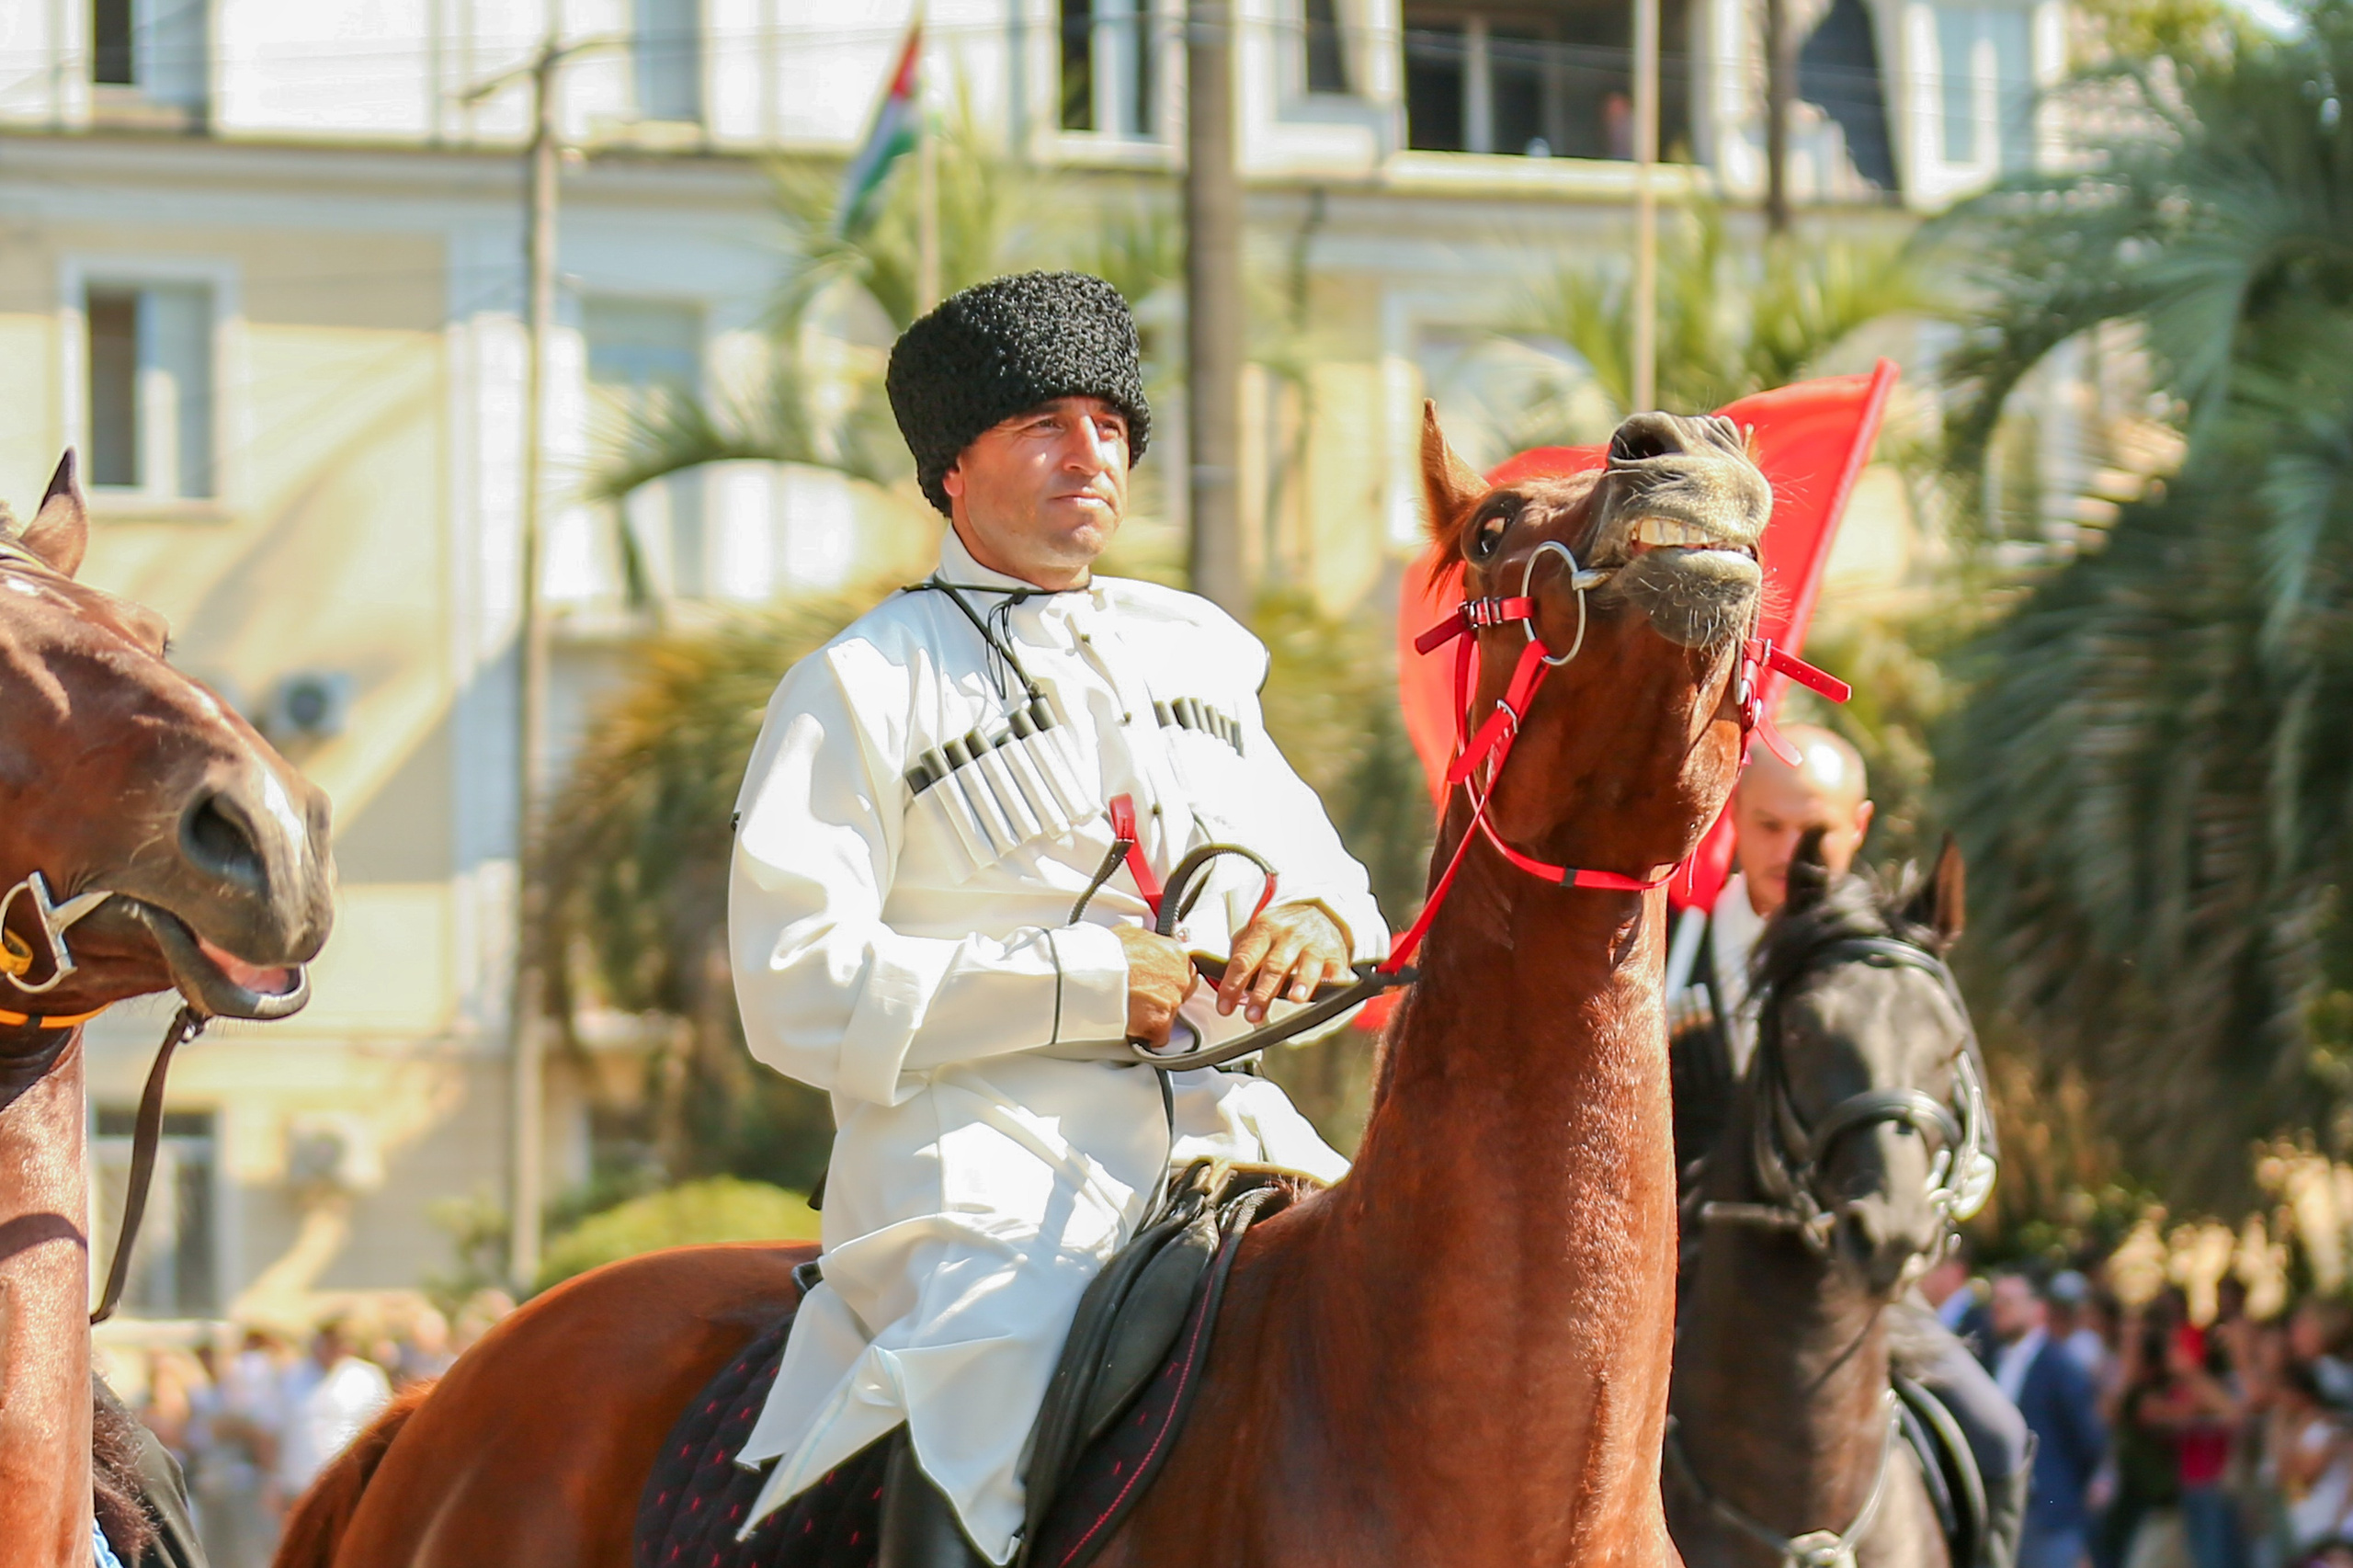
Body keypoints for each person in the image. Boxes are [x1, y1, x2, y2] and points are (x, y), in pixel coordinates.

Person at [725, 272, 1388, 1568]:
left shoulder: (1201, 650)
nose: (1091, 456)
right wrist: (1081, 980)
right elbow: (793, 984)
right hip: (982, 1152)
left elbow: (1334, 880)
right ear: (951, 468)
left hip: (1235, 1125)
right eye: (1044, 426)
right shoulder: (857, 684)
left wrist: (1315, 922)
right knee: (981, 1348)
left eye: (1111, 426)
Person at [1667, 726, 2029, 1567]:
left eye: (1816, 830)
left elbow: (1967, 1141)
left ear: (1859, 825)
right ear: (1731, 815)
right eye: (1769, 826)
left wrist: (1921, 1198)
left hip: (1860, 1287)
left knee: (1999, 1440)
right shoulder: (1668, 951)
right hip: (1678, 1287)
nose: (1790, 851)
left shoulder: (1900, 960)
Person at [1993, 1272, 2109, 1568]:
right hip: (2004, 1510)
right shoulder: (1994, 1359)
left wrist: (2064, 1491)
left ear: (2038, 1308)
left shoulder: (2059, 1365)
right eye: (1996, 1301)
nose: (1999, 1309)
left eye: (2008, 1301)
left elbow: (2089, 1439)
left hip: (2048, 1512)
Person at [273, 1320, 392, 1499]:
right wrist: (273, 1479)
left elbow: (382, 1431)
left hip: (349, 1487)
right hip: (299, 1487)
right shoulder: (292, 1376)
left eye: (341, 1343)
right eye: (329, 1342)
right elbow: (274, 1430)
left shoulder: (367, 1377)